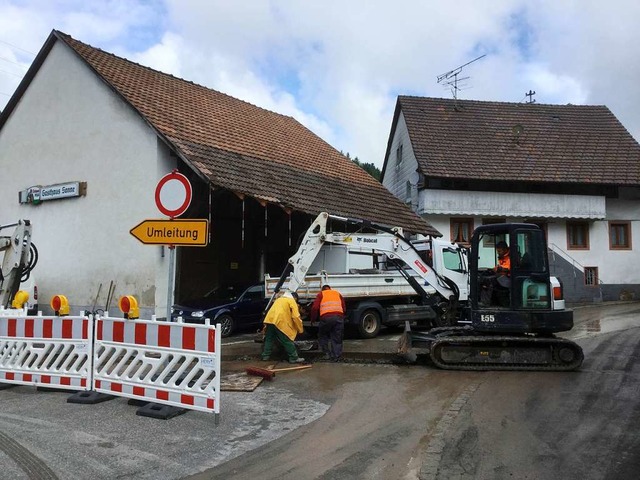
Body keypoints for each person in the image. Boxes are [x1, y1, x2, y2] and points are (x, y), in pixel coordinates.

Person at [261, 291, 305, 364]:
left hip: (269, 320)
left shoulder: (279, 299)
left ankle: (265, 356)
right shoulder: (291, 300)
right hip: (279, 321)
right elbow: (296, 316)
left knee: (269, 338)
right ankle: (294, 358)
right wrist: (300, 329)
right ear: (295, 298)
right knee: (286, 340)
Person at [310, 284, 346, 362]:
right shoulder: (337, 293)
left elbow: (315, 307)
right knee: (337, 337)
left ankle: (326, 354)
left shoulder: (321, 294)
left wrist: (313, 319)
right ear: (330, 289)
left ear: (322, 290)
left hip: (326, 318)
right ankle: (336, 356)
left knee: (322, 335)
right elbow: (343, 307)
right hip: (339, 317)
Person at [480, 241, 511, 306]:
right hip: (503, 276)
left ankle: (485, 302)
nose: (498, 253)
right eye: (497, 251)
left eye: (499, 251)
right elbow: (502, 265)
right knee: (484, 276)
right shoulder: (503, 256)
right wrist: (494, 268)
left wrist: (499, 268)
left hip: (509, 278)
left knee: (489, 281)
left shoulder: (510, 256)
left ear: (505, 249)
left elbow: (508, 268)